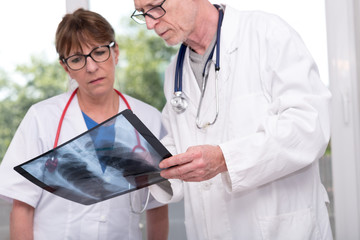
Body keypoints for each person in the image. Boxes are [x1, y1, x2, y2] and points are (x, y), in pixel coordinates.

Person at [130, 0, 333, 239]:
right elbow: (180, 143)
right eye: (143, 13)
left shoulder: (267, 34)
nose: (150, 24)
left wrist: (225, 158)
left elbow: (309, 127)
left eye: (154, 6)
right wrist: (151, 164)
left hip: (281, 229)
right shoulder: (175, 71)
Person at [0, 8, 168, 240]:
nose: (91, 67)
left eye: (99, 52)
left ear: (115, 52)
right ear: (66, 67)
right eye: (77, 59)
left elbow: (157, 205)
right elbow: (22, 206)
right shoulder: (42, 118)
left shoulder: (149, 119)